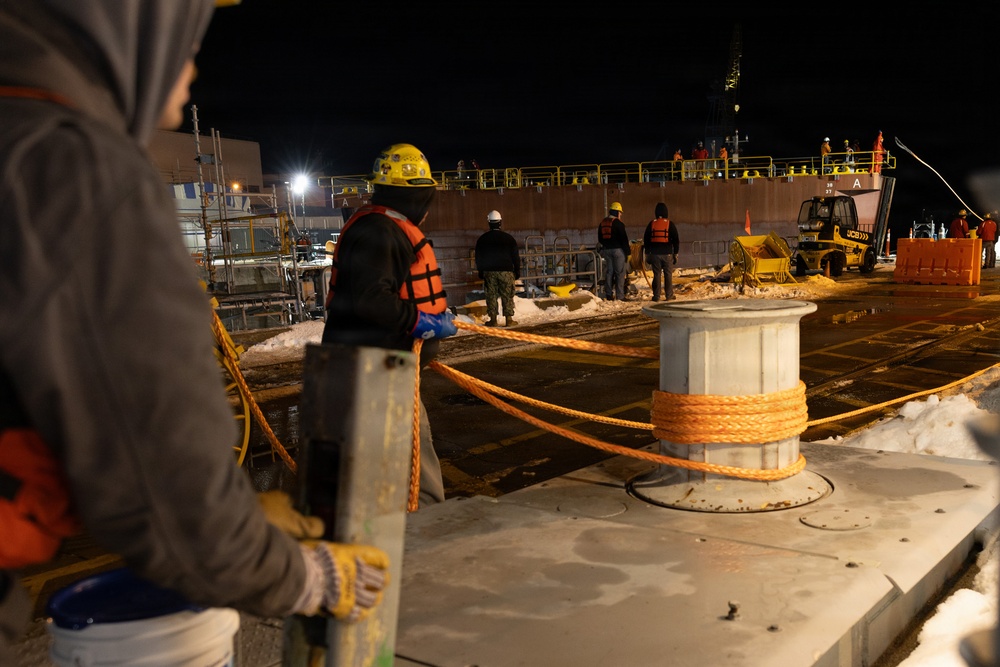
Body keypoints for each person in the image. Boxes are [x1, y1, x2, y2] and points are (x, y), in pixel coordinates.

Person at [0, 0, 389, 659]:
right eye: (186, 35)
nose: (190, 66)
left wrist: (236, 520)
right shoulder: (73, 166)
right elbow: (168, 494)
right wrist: (301, 574)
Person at [323, 143, 455, 507]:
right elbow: (371, 298)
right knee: (414, 474)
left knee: (367, 477)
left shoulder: (379, 225)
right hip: (376, 371)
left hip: (364, 367)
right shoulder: (382, 232)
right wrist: (422, 322)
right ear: (416, 196)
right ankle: (427, 531)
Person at [475, 210, 521, 327]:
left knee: (491, 295)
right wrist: (517, 270)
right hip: (506, 271)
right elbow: (515, 257)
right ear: (500, 222)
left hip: (489, 272)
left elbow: (478, 257)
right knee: (507, 295)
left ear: (489, 223)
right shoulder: (509, 238)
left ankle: (493, 320)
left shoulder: (483, 239)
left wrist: (481, 270)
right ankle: (509, 319)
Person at [643, 202, 680, 301]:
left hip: (655, 254)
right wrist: (675, 253)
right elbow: (676, 240)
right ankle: (669, 295)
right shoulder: (670, 224)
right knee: (668, 275)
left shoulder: (652, 224)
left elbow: (646, 239)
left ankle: (656, 296)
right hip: (667, 254)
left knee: (657, 274)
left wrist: (648, 252)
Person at [596, 202, 631, 301]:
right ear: (616, 212)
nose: (621, 214)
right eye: (620, 212)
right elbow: (624, 240)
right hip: (618, 251)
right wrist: (628, 253)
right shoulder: (619, 224)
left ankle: (608, 294)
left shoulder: (602, 223)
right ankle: (620, 296)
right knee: (619, 273)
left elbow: (600, 238)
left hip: (607, 251)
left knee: (609, 272)